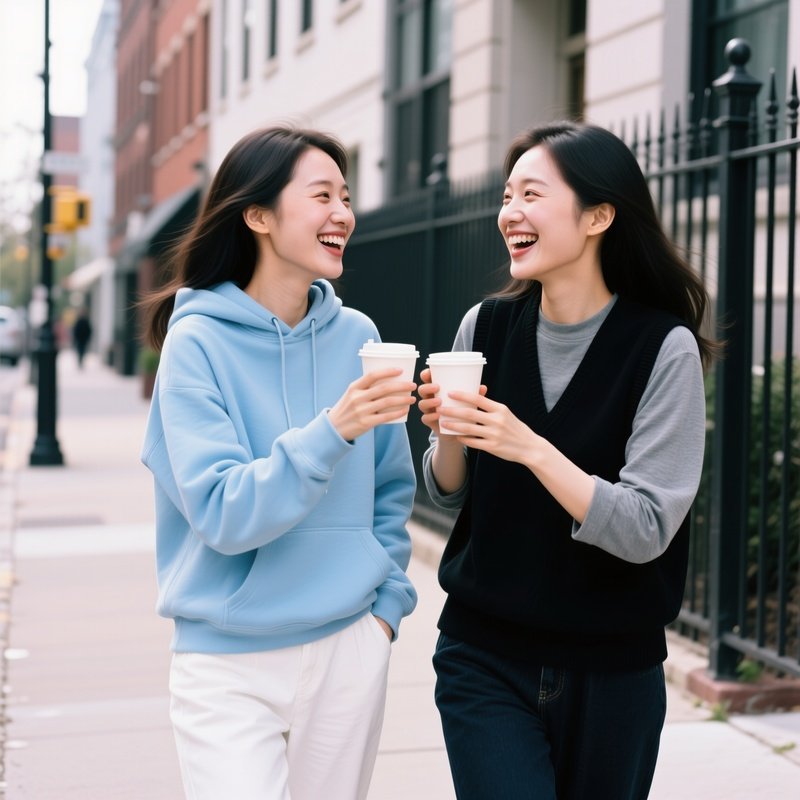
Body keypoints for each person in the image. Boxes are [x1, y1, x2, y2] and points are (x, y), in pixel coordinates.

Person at [417, 121, 720, 800]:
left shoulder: (661, 347)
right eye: (507, 195)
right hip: (482, 656)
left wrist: (527, 445)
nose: (509, 213)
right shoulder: (484, 327)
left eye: (532, 194)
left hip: (613, 671)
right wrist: (451, 434)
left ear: (598, 216)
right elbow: (447, 491)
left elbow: (645, 527)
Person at [140, 126, 418, 800]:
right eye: (322, 195)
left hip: (348, 644)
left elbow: (390, 489)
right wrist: (334, 430)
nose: (343, 213)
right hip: (227, 663)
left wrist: (383, 612)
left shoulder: (360, 337)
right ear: (258, 215)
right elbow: (224, 514)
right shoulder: (195, 343)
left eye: (346, 196)